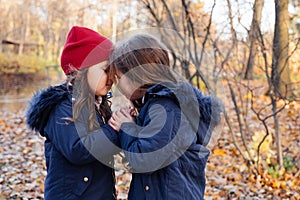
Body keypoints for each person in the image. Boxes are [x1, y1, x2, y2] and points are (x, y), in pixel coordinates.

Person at [108, 34, 223, 200]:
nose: (118, 84)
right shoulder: (158, 105)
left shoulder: (167, 108)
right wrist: (136, 124)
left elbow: (144, 160)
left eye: (120, 78)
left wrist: (127, 127)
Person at [26, 26, 120, 199]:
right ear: (80, 69)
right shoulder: (60, 106)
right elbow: (78, 149)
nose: (112, 77)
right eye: (106, 70)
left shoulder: (97, 104)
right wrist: (114, 129)